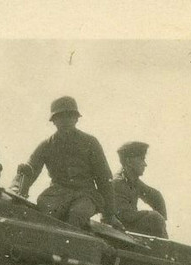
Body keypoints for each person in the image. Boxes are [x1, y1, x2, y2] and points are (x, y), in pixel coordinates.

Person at [10, 96, 121, 229]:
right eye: (60, 117)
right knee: (45, 212)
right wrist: (15, 190)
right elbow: (29, 169)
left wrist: (109, 214)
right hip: (57, 193)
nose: (66, 121)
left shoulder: (90, 143)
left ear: (76, 119)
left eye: (70, 116)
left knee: (77, 214)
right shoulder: (47, 145)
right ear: (53, 121)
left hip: (86, 194)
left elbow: (104, 178)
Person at [111, 141, 168, 237]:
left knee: (156, 219)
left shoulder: (133, 180)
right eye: (141, 159)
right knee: (154, 218)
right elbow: (124, 216)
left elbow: (155, 196)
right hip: (117, 230)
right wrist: (153, 216)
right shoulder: (118, 183)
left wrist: (163, 220)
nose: (145, 164)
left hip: (127, 228)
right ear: (129, 162)